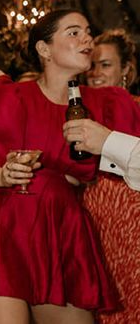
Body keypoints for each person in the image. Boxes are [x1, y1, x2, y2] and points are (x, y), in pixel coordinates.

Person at [0, 10, 140, 323]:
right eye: (74, 32)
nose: (87, 37)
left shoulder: (109, 103)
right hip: (2, 226)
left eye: (88, 30)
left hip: (62, 228)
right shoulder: (12, 97)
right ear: (44, 49)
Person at [79, 29, 140, 323]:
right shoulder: (77, 113)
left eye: (105, 65)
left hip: (132, 221)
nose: (95, 73)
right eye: (91, 65)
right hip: (91, 219)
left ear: (126, 69)